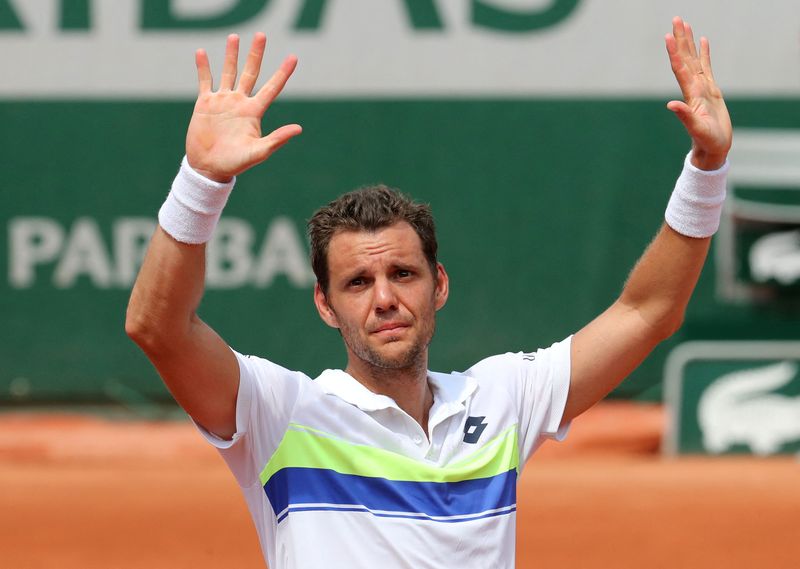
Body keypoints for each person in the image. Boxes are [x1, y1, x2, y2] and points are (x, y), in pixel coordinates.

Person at [126, 16, 731, 569]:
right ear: (324, 304)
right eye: (357, 283)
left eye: (403, 274)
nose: (384, 298)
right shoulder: (280, 414)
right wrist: (201, 180)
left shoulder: (501, 400)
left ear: (439, 285)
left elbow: (648, 310)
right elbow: (157, 328)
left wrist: (707, 166)